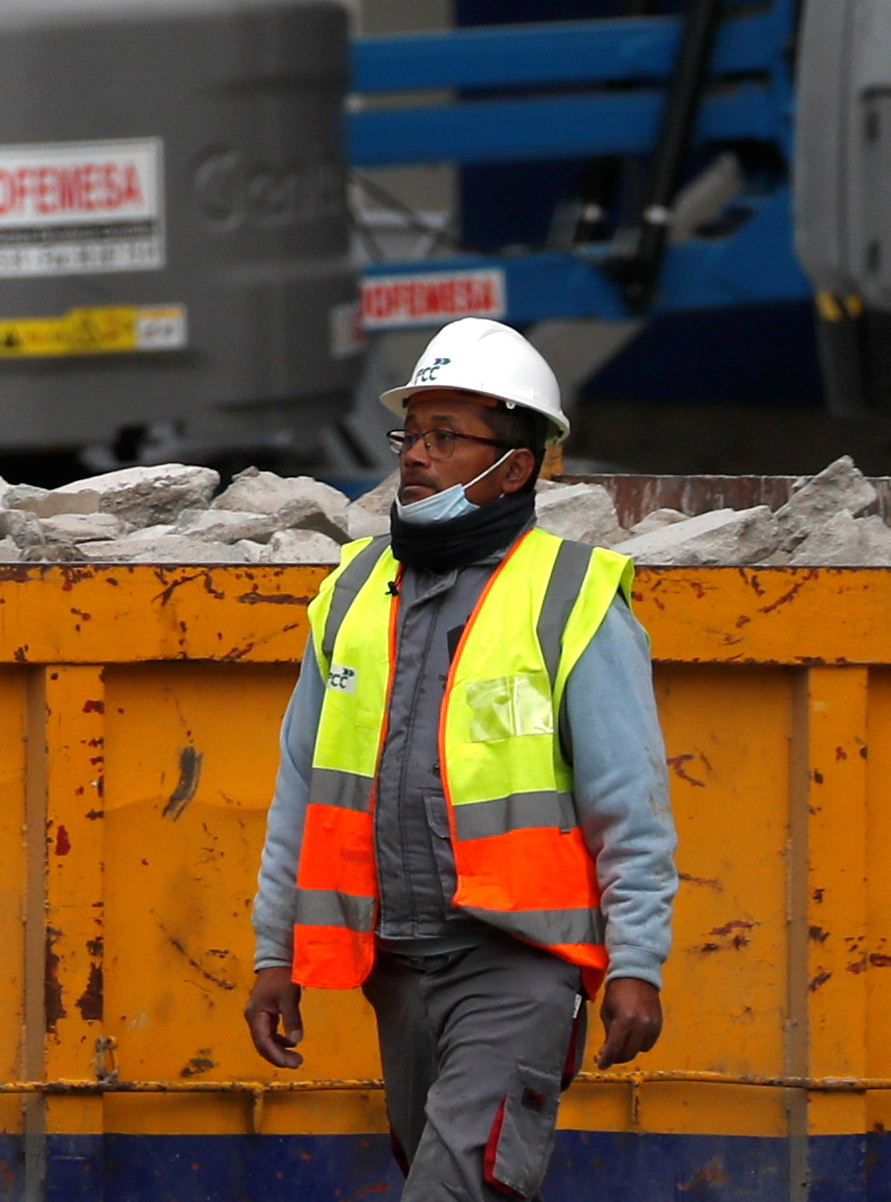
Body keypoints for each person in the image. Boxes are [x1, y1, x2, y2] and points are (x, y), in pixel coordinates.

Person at [243, 318, 680, 1200]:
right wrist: (273, 952)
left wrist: (636, 962)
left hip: (515, 960)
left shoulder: (570, 598)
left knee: (457, 1185)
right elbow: (303, 789)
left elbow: (627, 801)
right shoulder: (353, 592)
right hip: (394, 965)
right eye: (413, 433)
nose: (416, 456)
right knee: (438, 1170)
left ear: (514, 467)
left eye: (448, 437)